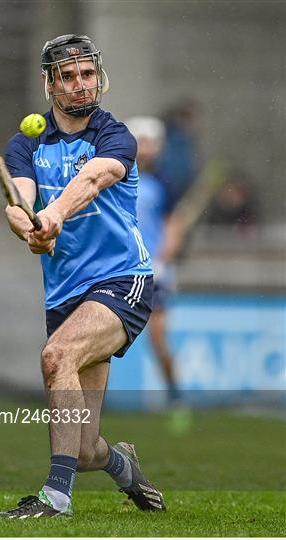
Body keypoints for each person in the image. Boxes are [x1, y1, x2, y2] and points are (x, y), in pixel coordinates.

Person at [0, 34, 165, 519]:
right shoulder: (27, 142)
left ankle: (55, 499)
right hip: (65, 294)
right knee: (85, 449)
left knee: (56, 355)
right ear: (49, 84)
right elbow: (18, 203)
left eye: (87, 74)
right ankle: (122, 464)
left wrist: (56, 215)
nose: (81, 85)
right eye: (68, 76)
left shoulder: (115, 135)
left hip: (121, 281)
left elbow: (91, 181)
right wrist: (31, 228)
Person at [126, 116, 184, 404]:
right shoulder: (116, 177)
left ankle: (174, 394)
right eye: (141, 142)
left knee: (158, 339)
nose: (146, 148)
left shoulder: (164, 183)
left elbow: (173, 228)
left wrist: (162, 260)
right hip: (121, 268)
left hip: (155, 270)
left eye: (151, 142)